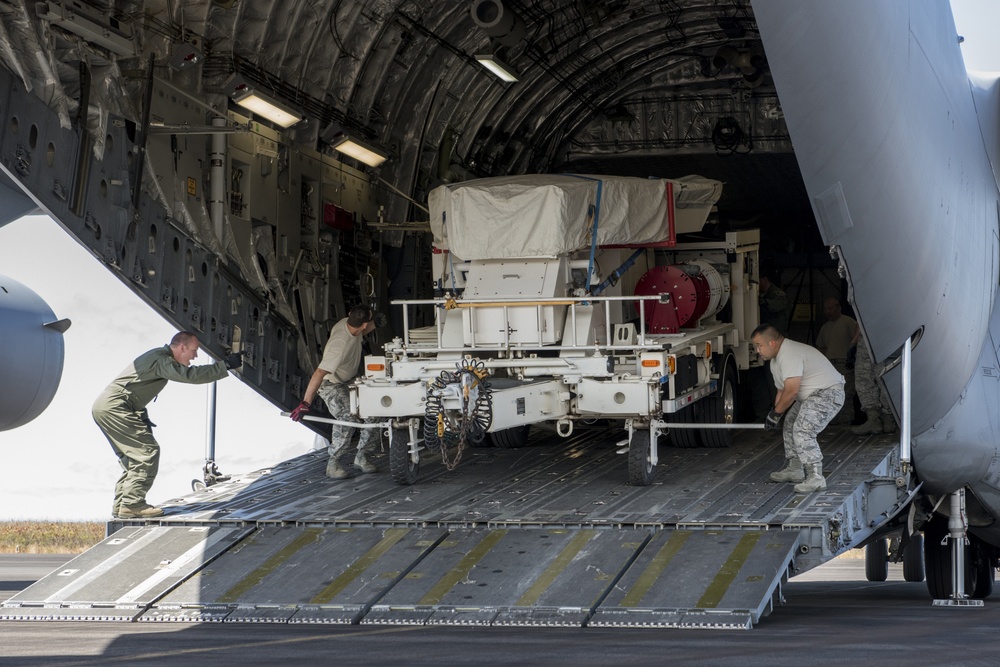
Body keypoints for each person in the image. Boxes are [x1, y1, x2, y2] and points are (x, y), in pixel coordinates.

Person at [93, 332, 243, 519]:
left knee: (133, 458)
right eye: (194, 351)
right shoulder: (162, 360)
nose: (194, 357)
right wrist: (225, 366)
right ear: (182, 348)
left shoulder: (157, 357)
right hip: (117, 408)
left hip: (109, 407)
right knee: (147, 452)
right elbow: (190, 375)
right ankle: (132, 504)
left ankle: (122, 505)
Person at [751, 324, 845, 493]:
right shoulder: (775, 361)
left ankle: (816, 477)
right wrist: (775, 415)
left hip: (827, 393)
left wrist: (776, 413)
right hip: (810, 396)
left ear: (771, 343)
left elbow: (792, 391)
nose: (757, 350)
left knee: (803, 430)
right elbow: (782, 390)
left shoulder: (789, 354)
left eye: (759, 346)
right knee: (790, 423)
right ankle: (795, 468)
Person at [289, 304, 380, 479]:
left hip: (350, 380)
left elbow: (367, 327)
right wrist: (305, 403)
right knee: (347, 416)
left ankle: (362, 457)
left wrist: (379, 321)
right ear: (363, 325)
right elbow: (319, 373)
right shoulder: (339, 344)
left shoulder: (350, 323)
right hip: (331, 384)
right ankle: (334, 463)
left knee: (375, 409)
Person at [750, 270, 790, 419]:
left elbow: (779, 304)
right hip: (761, 345)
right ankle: (762, 414)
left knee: (775, 380)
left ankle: (778, 414)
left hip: (775, 347)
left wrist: (763, 302)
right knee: (758, 381)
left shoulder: (776, 294)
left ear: (764, 279)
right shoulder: (761, 296)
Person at [815, 297, 858, 424]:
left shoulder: (849, 322)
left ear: (838, 308)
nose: (828, 311)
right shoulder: (825, 327)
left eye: (831, 308)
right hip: (829, 365)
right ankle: (833, 421)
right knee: (830, 394)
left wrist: (853, 359)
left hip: (844, 363)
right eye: (825, 309)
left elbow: (857, 342)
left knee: (846, 393)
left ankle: (846, 421)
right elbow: (820, 347)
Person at [851, 337, 897, 435]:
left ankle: (887, 418)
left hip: (883, 335)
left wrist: (853, 342)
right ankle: (875, 419)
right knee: (864, 377)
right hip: (868, 336)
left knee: (884, 377)